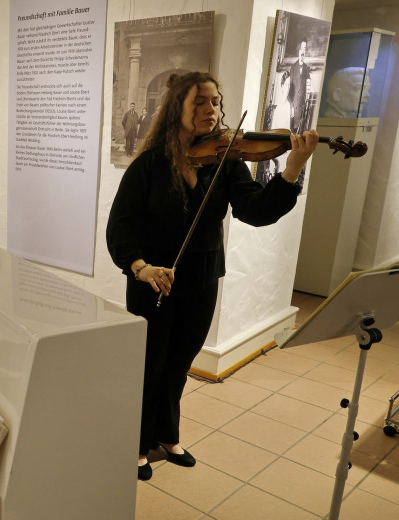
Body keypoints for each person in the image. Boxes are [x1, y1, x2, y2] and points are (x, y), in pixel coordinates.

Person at [106, 71, 318, 481]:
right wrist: (141, 267)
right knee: (149, 363)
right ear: (177, 110)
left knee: (179, 361)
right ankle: (135, 444)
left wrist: (291, 169)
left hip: (202, 276)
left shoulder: (226, 160)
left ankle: (167, 436)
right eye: (199, 102)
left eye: (216, 102)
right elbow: (121, 228)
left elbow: (255, 211)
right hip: (153, 281)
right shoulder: (149, 165)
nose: (211, 110)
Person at [282, 41, 313, 134]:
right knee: (293, 126)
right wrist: (291, 102)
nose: (303, 55)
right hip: (294, 100)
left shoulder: (306, 68)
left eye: (304, 53)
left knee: (301, 124)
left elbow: (307, 82)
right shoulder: (293, 67)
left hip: (302, 100)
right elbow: (290, 86)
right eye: (301, 52)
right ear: (299, 52)